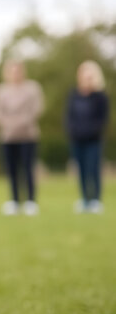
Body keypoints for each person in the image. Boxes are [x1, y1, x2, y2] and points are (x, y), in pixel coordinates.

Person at [0, 60, 44, 216]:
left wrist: (19, 122)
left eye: (17, 71)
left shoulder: (33, 88)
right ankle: (14, 200)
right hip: (7, 137)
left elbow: (37, 109)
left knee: (28, 168)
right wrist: (9, 124)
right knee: (11, 170)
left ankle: (30, 201)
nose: (15, 74)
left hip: (28, 135)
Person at [66, 60, 109, 214]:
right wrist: (73, 131)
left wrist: (90, 131)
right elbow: (69, 116)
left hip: (93, 139)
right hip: (77, 139)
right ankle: (84, 199)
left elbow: (102, 119)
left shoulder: (100, 97)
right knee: (82, 170)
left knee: (93, 169)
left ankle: (95, 200)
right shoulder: (74, 95)